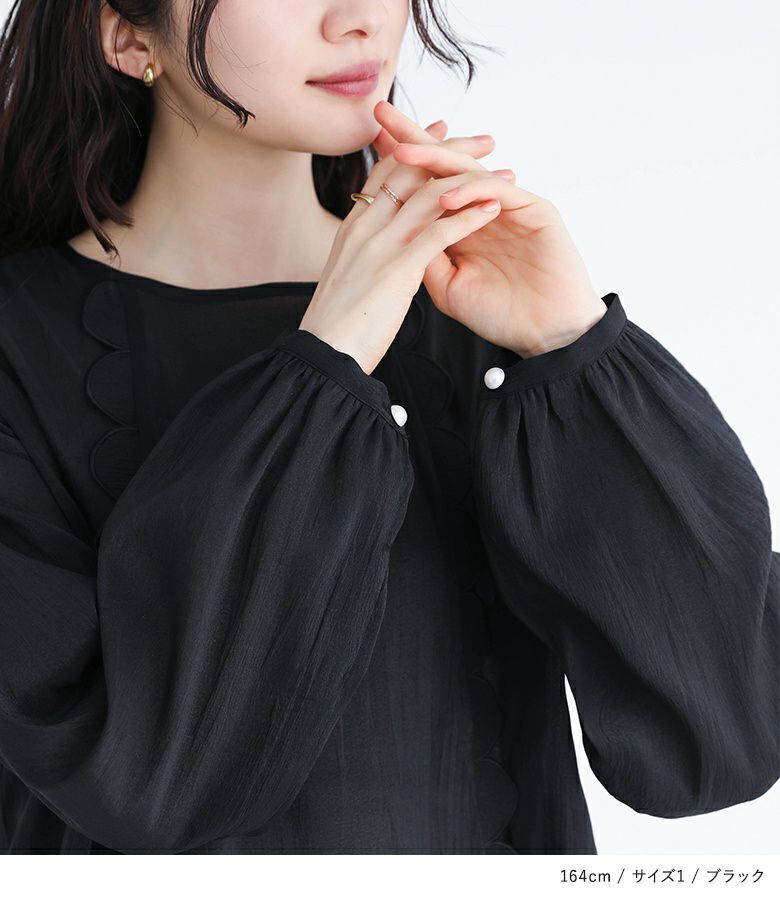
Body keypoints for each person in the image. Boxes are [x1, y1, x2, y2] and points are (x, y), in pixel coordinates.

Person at [0, 0, 777, 855]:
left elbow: (720, 739)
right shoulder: (18, 350)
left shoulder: (478, 309)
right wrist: (330, 357)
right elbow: (148, 781)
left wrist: (571, 346)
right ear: (124, 33)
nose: (360, 18)